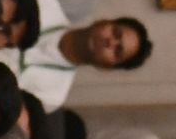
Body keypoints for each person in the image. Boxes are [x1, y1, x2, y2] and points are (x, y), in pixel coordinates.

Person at [13, 11, 145, 110]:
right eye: (115, 32)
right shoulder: (43, 3)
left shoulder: (53, 95)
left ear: (107, 67)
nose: (110, 42)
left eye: (117, 51)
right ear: (102, 21)